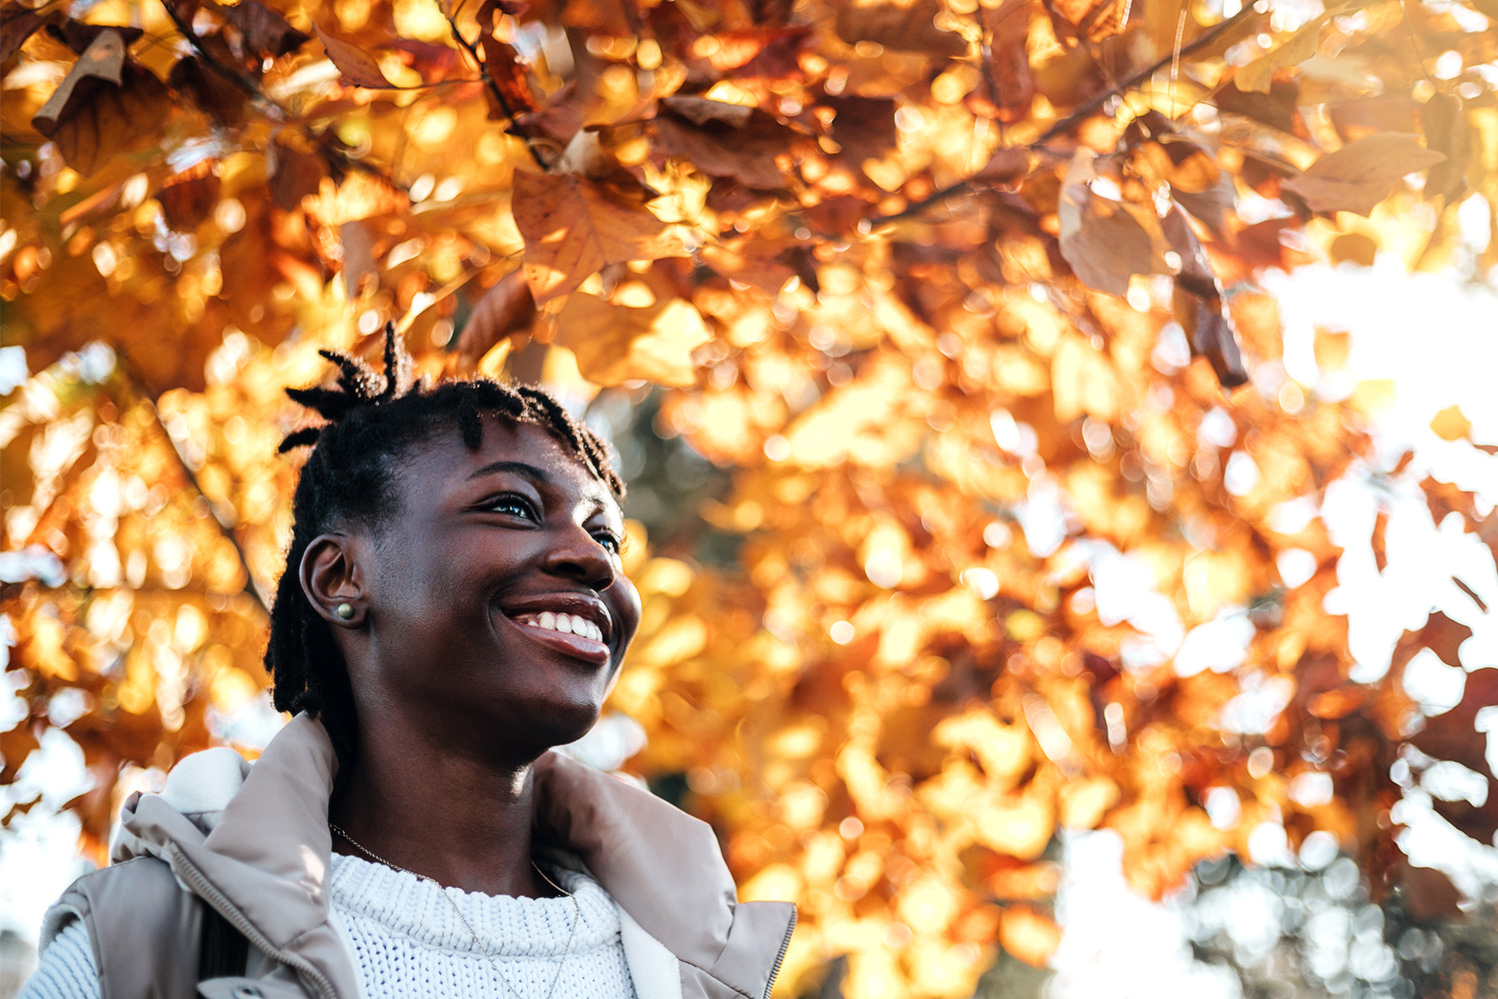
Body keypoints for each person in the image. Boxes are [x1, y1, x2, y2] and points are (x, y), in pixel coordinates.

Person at [20, 327, 796, 999]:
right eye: (514, 507)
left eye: (607, 536)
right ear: (340, 580)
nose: (591, 559)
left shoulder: (692, 959)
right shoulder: (148, 942)